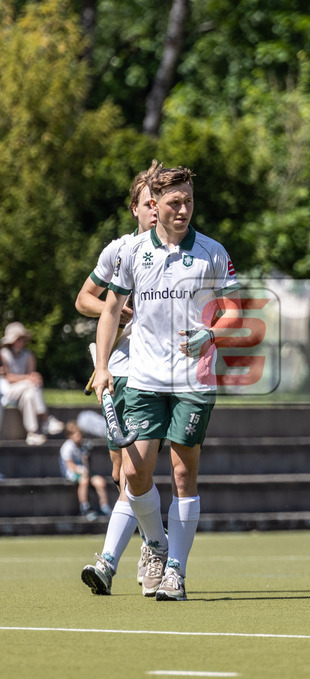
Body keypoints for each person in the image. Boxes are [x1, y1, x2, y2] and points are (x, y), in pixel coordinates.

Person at [92, 165, 240, 601]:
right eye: (175, 202)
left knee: (181, 473)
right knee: (134, 473)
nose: (183, 210)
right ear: (153, 205)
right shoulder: (133, 252)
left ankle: (175, 569)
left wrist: (211, 331)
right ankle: (155, 543)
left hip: (193, 381)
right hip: (142, 379)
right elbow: (108, 310)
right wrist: (102, 366)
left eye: (189, 201)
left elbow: (233, 310)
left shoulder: (213, 251)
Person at [78, 160, 162, 596]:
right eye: (147, 203)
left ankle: (130, 556)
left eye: (158, 202)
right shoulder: (119, 251)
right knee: (119, 472)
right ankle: (153, 541)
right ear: (135, 208)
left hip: (152, 375)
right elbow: (84, 299)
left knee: (134, 471)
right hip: (117, 370)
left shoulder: (171, 254)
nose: (154, 210)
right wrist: (116, 309)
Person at [0, 322, 64, 445]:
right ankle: (45, 419)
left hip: (24, 390)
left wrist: (34, 377)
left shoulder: (28, 355)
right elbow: (8, 377)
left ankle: (33, 432)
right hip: (8, 391)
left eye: (23, 339)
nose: (22, 342)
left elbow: (31, 374)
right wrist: (28, 379)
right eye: (19, 339)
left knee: (29, 395)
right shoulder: (3, 354)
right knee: (31, 385)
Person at [60, 419, 110, 520]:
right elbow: (70, 465)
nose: (79, 437)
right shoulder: (67, 447)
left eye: (80, 434)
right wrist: (81, 470)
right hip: (72, 472)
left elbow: (87, 464)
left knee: (100, 482)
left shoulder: (83, 445)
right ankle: (85, 507)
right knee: (84, 480)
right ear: (70, 435)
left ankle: (105, 507)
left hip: (85, 471)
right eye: (76, 434)